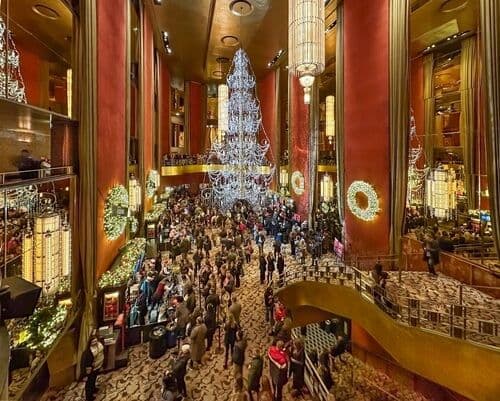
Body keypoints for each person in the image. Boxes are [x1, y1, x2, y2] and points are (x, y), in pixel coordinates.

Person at [81, 335, 104, 401]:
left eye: (96, 341)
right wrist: (85, 374)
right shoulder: (88, 352)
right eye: (93, 342)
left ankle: (93, 389)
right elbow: (85, 364)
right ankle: (89, 397)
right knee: (89, 383)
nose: (95, 342)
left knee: (93, 379)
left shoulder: (99, 344)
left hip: (98, 366)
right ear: (90, 343)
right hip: (91, 369)